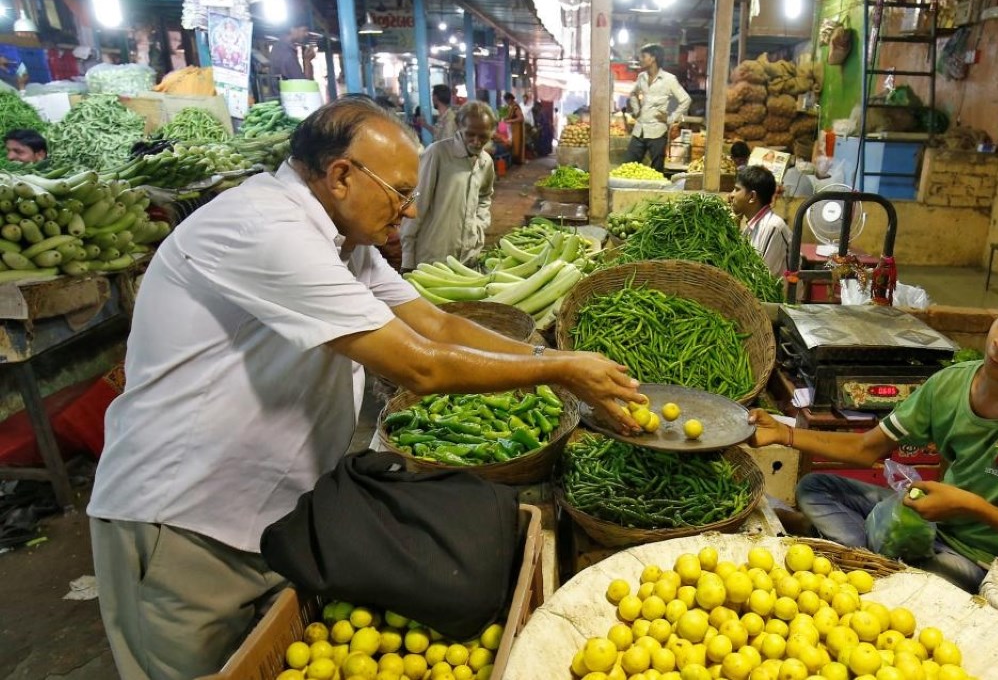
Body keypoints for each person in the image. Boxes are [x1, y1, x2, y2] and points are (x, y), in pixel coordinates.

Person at [85, 97, 645, 680]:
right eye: (400, 191)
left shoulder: (341, 240)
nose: (409, 210)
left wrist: (556, 358)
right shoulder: (265, 228)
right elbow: (421, 368)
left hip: (270, 513)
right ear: (342, 176)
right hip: (184, 521)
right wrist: (559, 372)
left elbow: (437, 323)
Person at [748, 270, 998, 593]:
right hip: (924, 522)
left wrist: (977, 508)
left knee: (924, 585)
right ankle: (875, 563)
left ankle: (863, 561)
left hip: (974, 558)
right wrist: (784, 434)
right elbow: (867, 449)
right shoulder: (951, 383)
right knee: (816, 487)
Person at [400, 100, 498, 270]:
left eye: (483, 136)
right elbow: (416, 204)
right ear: (459, 127)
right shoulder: (437, 154)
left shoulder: (486, 162)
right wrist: (407, 257)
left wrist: (480, 225)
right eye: (470, 134)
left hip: (468, 257)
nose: (476, 141)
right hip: (433, 257)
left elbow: (484, 196)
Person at [625, 43, 691, 172]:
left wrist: (671, 118)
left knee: (656, 171)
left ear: (653, 58)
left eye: (643, 56)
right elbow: (632, 93)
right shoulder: (641, 77)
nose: (641, 59)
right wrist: (636, 110)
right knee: (627, 166)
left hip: (657, 132)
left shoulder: (669, 79)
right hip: (640, 130)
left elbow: (686, 100)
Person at [727, 165, 791, 279]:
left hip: (779, 296)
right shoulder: (752, 225)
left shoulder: (772, 227)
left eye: (737, 189)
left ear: (752, 196)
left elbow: (759, 278)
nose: (731, 195)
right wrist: (736, 218)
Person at [502, 91, 524, 164]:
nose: (506, 102)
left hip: (517, 128)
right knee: (514, 144)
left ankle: (518, 161)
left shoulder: (515, 107)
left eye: (507, 100)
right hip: (513, 128)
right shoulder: (511, 107)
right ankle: (515, 160)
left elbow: (521, 118)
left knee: (517, 143)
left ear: (510, 99)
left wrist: (510, 121)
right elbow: (510, 116)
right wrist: (505, 118)